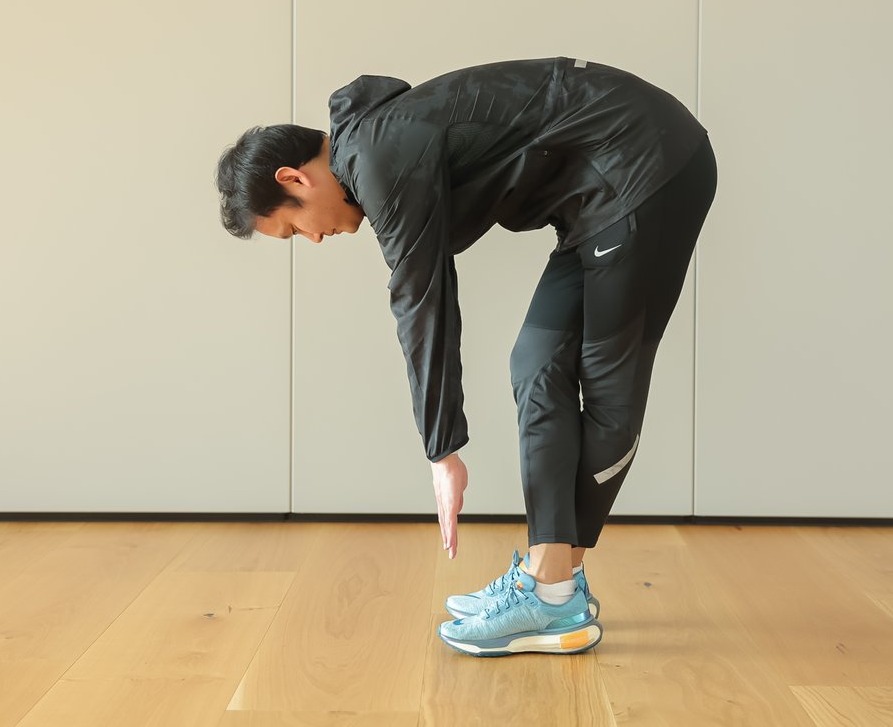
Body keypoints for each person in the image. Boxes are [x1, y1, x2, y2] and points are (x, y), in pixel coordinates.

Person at [215, 57, 717, 657]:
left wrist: (442, 451)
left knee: (609, 377)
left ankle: (551, 589)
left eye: (294, 228)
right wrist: (442, 443)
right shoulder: (372, 147)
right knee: (535, 361)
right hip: (596, 194)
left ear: (294, 179)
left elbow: (422, 303)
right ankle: (554, 583)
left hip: (649, 164)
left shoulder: (377, 158)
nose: (315, 238)